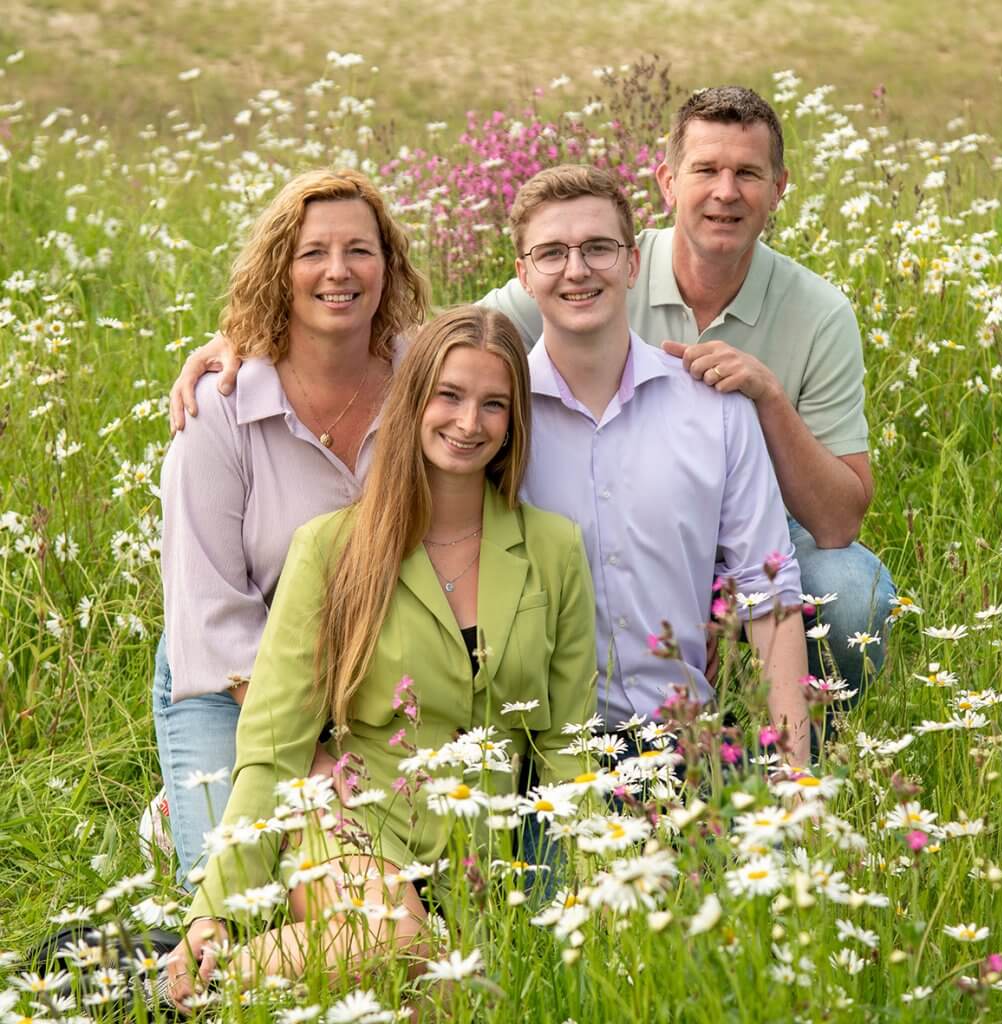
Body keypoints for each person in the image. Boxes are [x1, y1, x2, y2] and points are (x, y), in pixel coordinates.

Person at [169, 87, 894, 700]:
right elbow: (441, 350)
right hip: (617, 546)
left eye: (748, 173)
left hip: (739, 532)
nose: (726, 192)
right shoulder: (587, 269)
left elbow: (836, 521)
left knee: (848, 588)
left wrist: (767, 400)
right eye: (706, 169)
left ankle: (798, 724)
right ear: (668, 185)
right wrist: (263, 338)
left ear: (780, 188)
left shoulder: (817, 310)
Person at [165, 306, 597, 1008]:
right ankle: (193, 974)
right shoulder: (332, 548)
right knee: (406, 946)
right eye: (450, 396)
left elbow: (564, 742)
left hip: (479, 851)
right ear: (414, 400)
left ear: (516, 421)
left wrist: (603, 876)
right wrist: (213, 906)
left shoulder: (553, 548)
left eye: (495, 404)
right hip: (354, 826)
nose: (469, 422)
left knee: (450, 997)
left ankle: (213, 986)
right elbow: (275, 743)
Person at [156, 168, 429, 886]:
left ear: (388, 265)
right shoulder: (218, 411)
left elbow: (542, 316)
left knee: (400, 883)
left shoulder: (428, 383)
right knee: (240, 895)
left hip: (375, 673)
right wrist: (309, 758)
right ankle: (180, 812)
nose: (337, 271)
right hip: (234, 680)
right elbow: (213, 619)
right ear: (280, 269)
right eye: (312, 252)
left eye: (359, 251)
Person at [510, 164, 811, 763]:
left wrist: (794, 781)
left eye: (598, 248)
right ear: (523, 274)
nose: (577, 269)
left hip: (682, 744)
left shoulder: (715, 409)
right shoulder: (497, 417)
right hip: (543, 756)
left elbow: (768, 592)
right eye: (551, 253)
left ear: (632, 263)